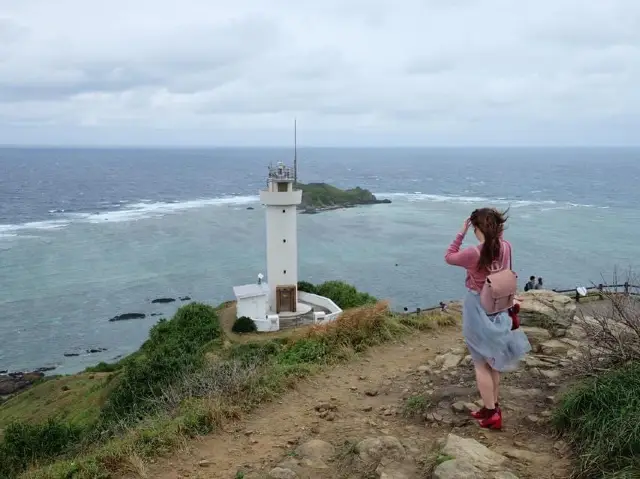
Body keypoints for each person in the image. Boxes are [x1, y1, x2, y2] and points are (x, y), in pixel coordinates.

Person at [445, 208, 531, 430]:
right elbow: (501, 254)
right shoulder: (506, 247)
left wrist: (461, 232)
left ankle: (491, 413)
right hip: (499, 307)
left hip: (477, 309)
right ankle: (493, 406)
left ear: (476, 228)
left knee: (480, 363)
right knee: (493, 361)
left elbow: (449, 256)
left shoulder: (473, 253)